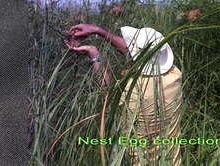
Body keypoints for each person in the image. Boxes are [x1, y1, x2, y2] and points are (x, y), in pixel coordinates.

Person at [66, 24, 183, 166]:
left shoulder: (131, 91)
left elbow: (106, 97)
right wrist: (99, 31)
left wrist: (94, 56)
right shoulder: (175, 75)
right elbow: (133, 53)